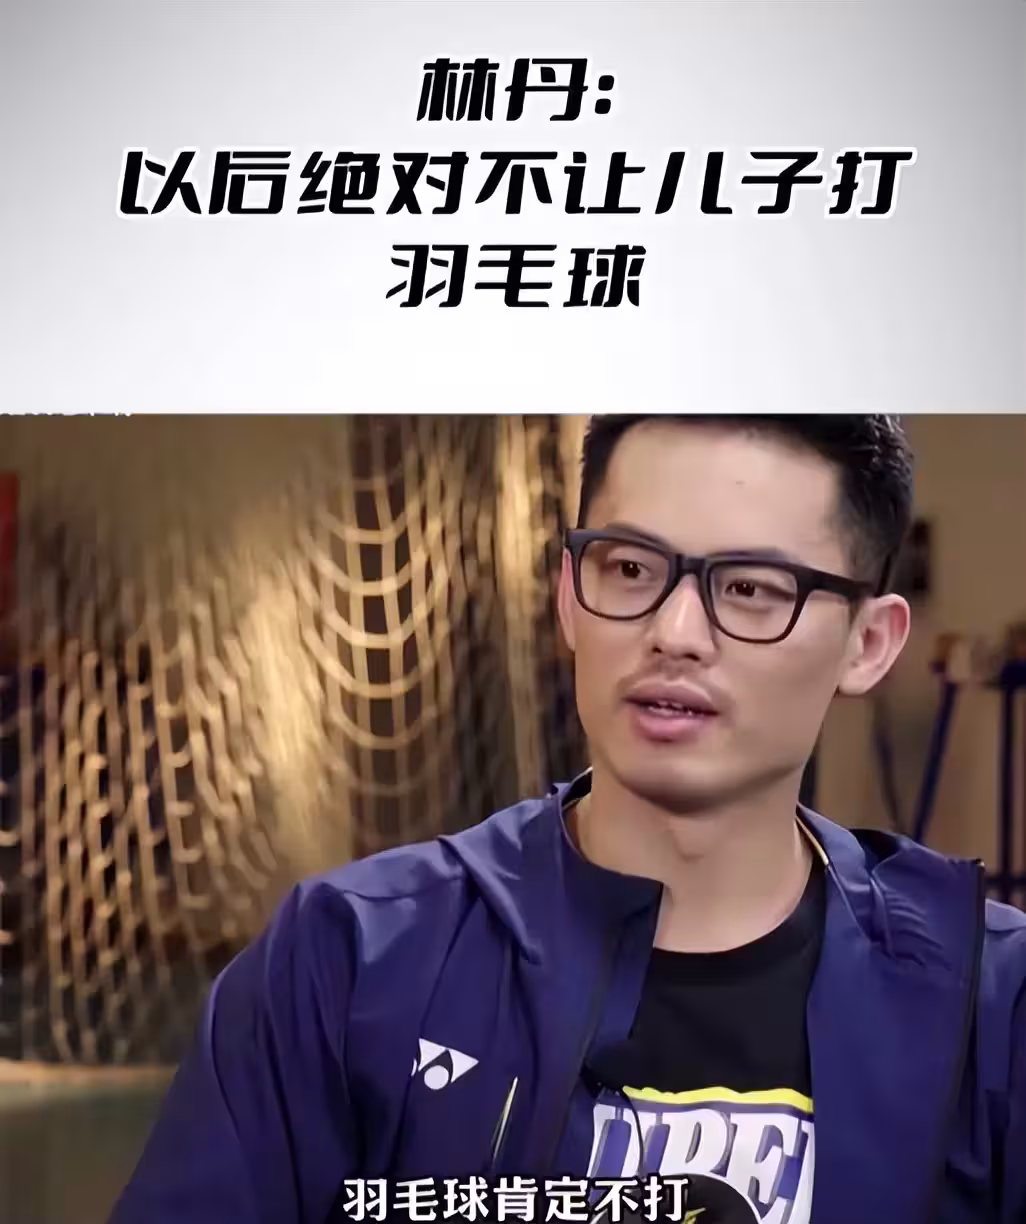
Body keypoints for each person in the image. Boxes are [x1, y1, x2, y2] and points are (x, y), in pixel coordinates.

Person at [110, 416, 1026, 1224]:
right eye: (629, 569)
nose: (675, 631)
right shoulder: (349, 961)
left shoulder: (990, 1008)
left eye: (751, 588)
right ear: (566, 596)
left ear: (868, 643)